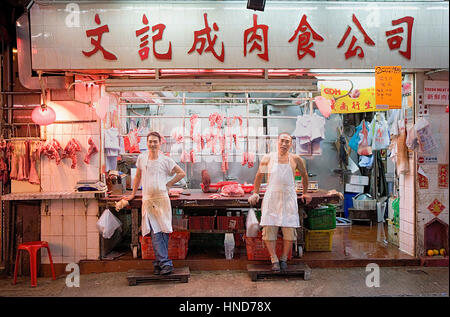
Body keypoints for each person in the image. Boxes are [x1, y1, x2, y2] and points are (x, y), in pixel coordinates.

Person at [248, 132, 312, 272]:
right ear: (277, 142)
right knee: (269, 229)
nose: (284, 144)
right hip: (272, 197)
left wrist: (305, 192)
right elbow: (259, 175)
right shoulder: (268, 158)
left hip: (289, 197)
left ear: (291, 144)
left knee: (289, 230)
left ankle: (283, 258)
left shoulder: (296, 159)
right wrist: (255, 193)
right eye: (282, 141)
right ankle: (274, 259)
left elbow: (304, 176)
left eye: (287, 141)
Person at [125, 131, 186, 275]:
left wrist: (168, 184)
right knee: (155, 231)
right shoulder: (142, 158)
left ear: (160, 143)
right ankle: (165, 263)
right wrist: (133, 194)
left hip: (162, 200)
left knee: (163, 230)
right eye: (150, 141)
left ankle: (160, 263)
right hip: (148, 200)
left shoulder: (165, 160)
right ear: (147, 143)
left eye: (155, 142)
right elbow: (138, 177)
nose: (152, 144)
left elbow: (181, 173)